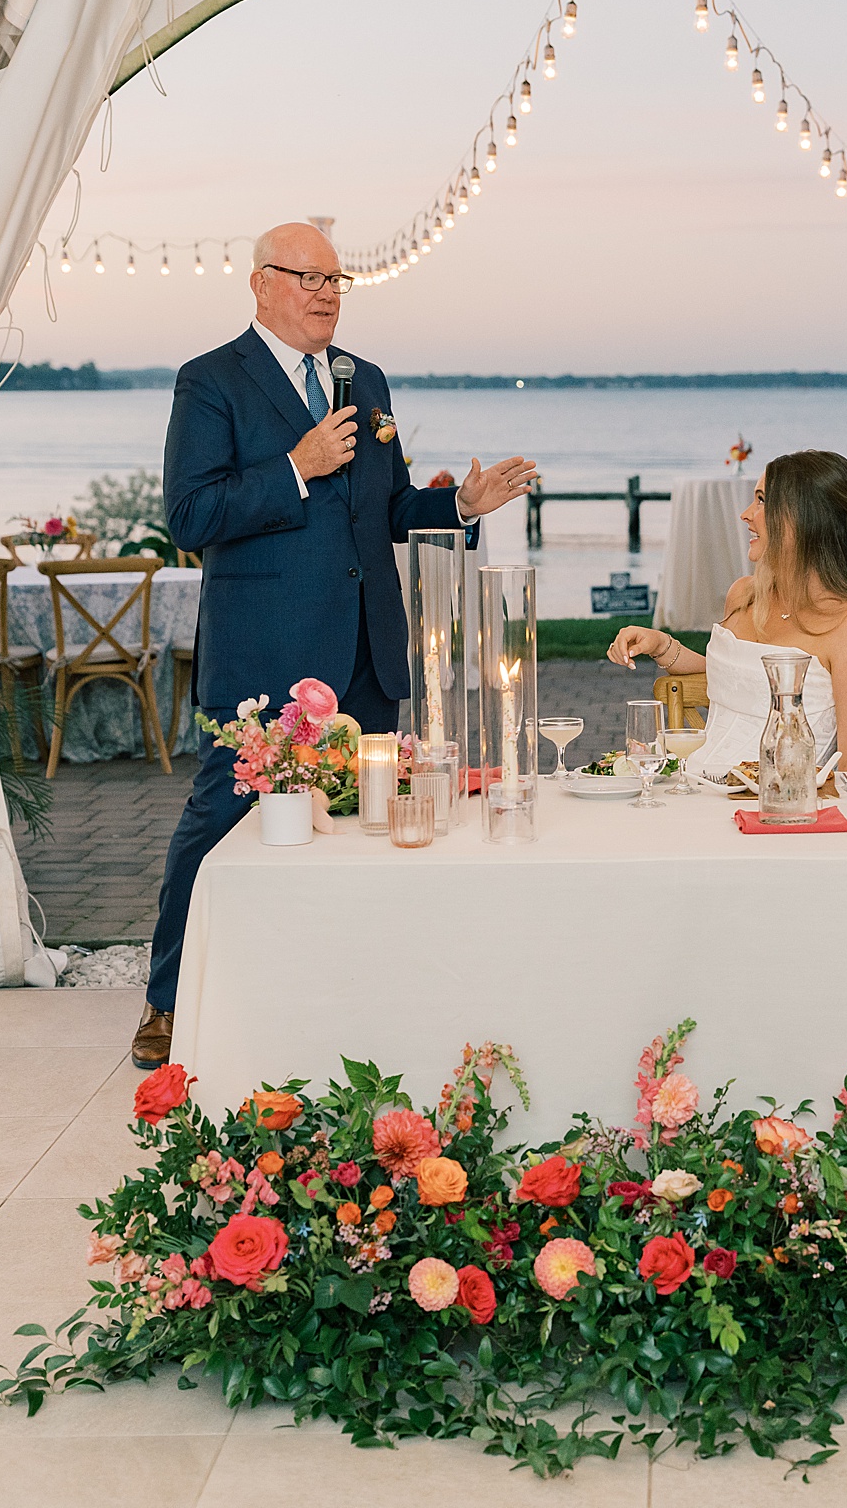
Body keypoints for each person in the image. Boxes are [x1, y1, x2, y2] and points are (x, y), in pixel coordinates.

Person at [133, 222, 536, 1069]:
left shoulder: (364, 378)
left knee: (365, 828)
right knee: (219, 824)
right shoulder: (211, 382)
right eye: (307, 277)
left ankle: (347, 987)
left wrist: (459, 504)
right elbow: (190, 518)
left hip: (365, 652)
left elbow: (382, 512)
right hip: (266, 660)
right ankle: (168, 999)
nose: (325, 293)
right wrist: (295, 465)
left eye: (336, 279)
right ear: (261, 285)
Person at [606, 450, 847, 772]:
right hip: (693, 783)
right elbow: (743, 682)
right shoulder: (744, 595)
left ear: (804, 519)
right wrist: (662, 645)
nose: (745, 514)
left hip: (781, 808)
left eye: (761, 501)